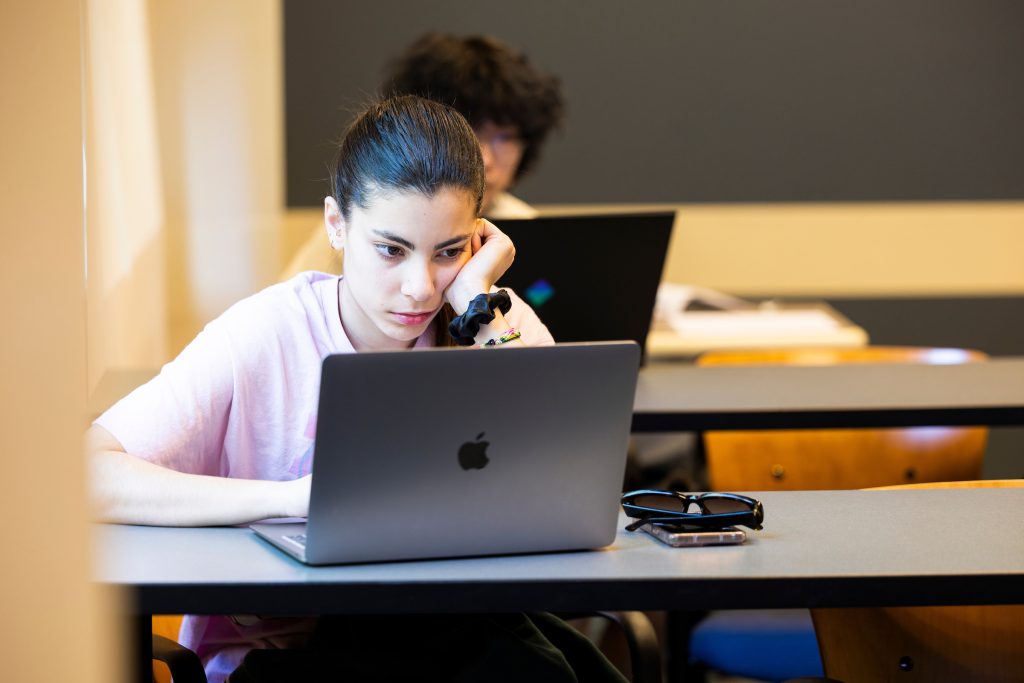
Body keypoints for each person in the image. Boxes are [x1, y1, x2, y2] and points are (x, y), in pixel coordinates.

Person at [88, 96, 626, 681]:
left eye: (447, 252)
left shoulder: (486, 315)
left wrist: (477, 303)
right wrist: (293, 501)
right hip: (286, 655)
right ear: (336, 224)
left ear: (476, 240)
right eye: (391, 250)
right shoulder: (266, 331)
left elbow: (562, 471)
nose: (420, 289)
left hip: (449, 628)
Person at [280, 32, 564, 278]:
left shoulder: (530, 230)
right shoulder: (360, 229)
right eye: (469, 132)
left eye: (505, 138)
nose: (485, 158)